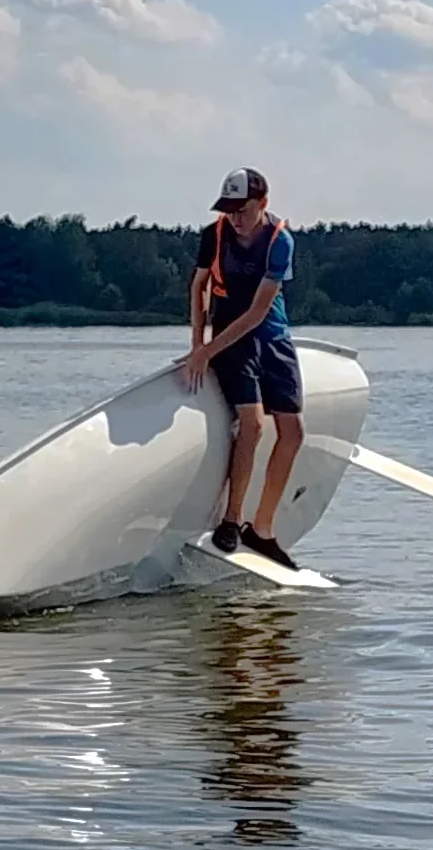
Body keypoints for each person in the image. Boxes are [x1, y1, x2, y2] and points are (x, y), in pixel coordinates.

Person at [181, 166, 303, 569]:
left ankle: (262, 530)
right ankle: (231, 519)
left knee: (293, 431)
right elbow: (198, 287)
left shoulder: (280, 241)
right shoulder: (214, 235)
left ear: (262, 204)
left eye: (243, 209)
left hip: (270, 334)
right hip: (230, 336)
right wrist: (197, 345)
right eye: (229, 209)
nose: (235, 218)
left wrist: (206, 351)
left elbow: (257, 313)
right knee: (252, 423)